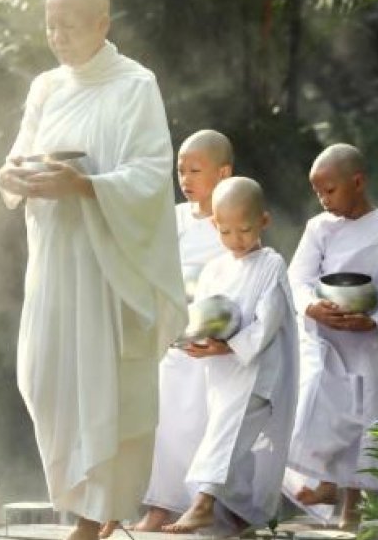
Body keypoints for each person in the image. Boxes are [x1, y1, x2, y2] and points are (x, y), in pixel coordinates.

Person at [0, 0, 186, 540]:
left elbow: (152, 175)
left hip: (107, 267)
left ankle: (94, 516)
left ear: (103, 24)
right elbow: (17, 160)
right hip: (55, 261)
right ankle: (84, 507)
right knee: (45, 380)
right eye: (50, 25)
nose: (57, 37)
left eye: (70, 26)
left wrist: (85, 186)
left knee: (100, 383)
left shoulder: (135, 85)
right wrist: (9, 174)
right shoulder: (46, 87)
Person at [286, 144, 378, 527]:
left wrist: (375, 319)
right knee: (319, 407)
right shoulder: (319, 227)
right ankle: (326, 480)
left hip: (364, 341)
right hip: (325, 338)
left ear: (357, 182)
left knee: (361, 418)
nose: (323, 200)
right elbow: (297, 277)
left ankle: (352, 503)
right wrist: (311, 305)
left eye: (330, 190)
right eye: (318, 193)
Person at [160, 177, 298, 534]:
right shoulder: (214, 269)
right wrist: (196, 342)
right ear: (213, 225)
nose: (236, 239)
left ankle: (203, 504)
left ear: (263, 222)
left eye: (244, 229)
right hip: (223, 374)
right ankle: (242, 514)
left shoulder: (271, 264)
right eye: (225, 231)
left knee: (225, 435)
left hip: (256, 374)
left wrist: (231, 346)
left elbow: (269, 322)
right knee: (232, 445)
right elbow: (201, 316)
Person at [135, 130, 233, 532]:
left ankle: (202, 504)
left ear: (223, 172)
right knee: (166, 420)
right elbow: (151, 267)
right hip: (173, 334)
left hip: (214, 337)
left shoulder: (232, 218)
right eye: (180, 170)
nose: (185, 178)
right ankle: (160, 504)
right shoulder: (173, 217)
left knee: (205, 422)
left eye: (195, 170)